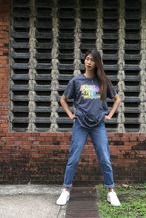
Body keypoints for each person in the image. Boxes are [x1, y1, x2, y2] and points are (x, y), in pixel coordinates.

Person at [56, 49, 121, 207]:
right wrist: (71, 115)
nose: (89, 62)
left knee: (104, 158)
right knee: (74, 158)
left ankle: (111, 191)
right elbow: (63, 99)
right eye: (87, 59)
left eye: (92, 59)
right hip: (80, 124)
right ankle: (66, 190)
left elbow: (117, 98)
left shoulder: (103, 81)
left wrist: (110, 114)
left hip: (98, 125)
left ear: (97, 62)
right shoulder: (76, 81)